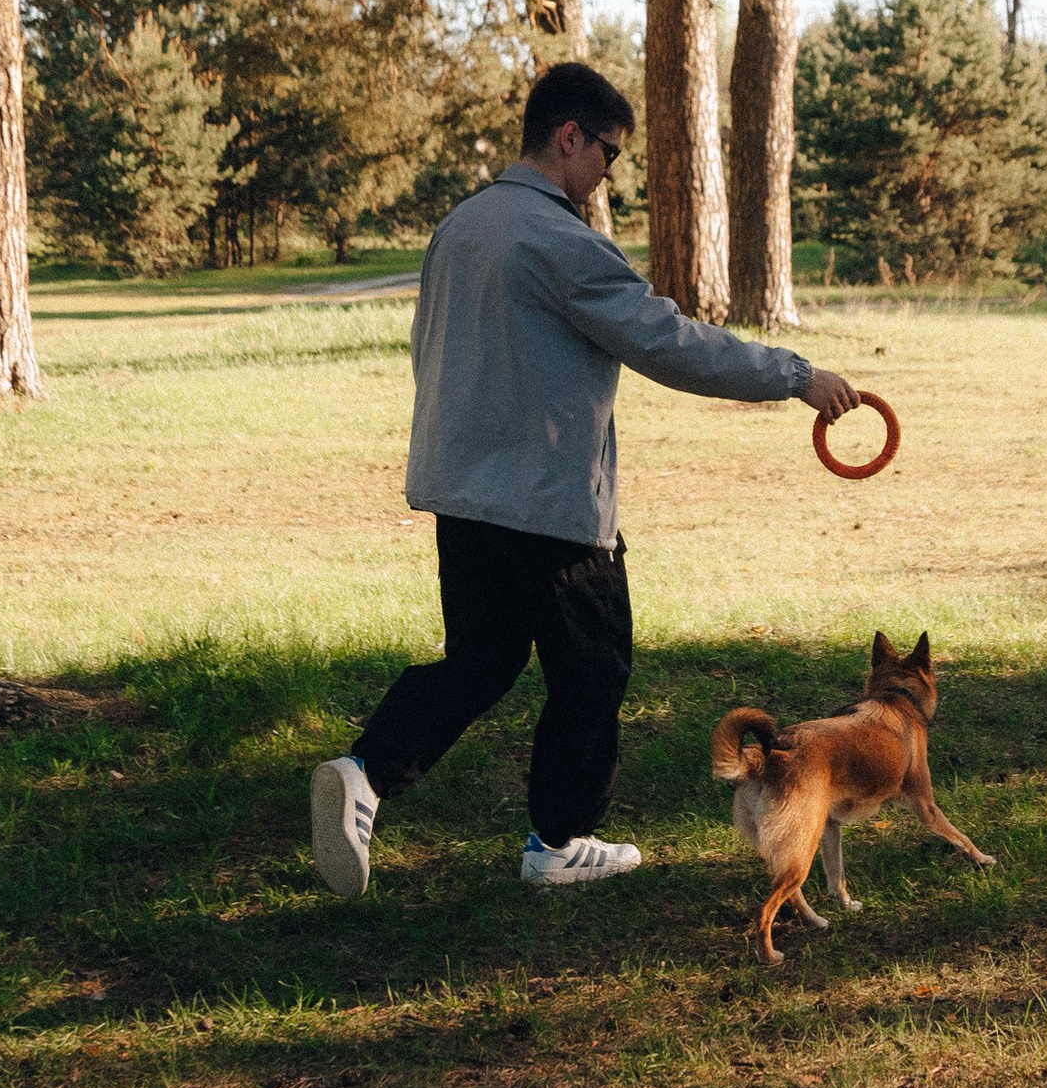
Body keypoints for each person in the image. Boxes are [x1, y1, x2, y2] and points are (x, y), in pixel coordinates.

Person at [309, 59, 864, 897]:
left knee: (483, 660)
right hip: (551, 503)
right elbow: (670, 343)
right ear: (569, 136)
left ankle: (365, 773)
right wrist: (796, 376)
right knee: (593, 670)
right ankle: (560, 841)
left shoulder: (461, 227)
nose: (608, 173)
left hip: (461, 492)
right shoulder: (562, 240)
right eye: (607, 152)